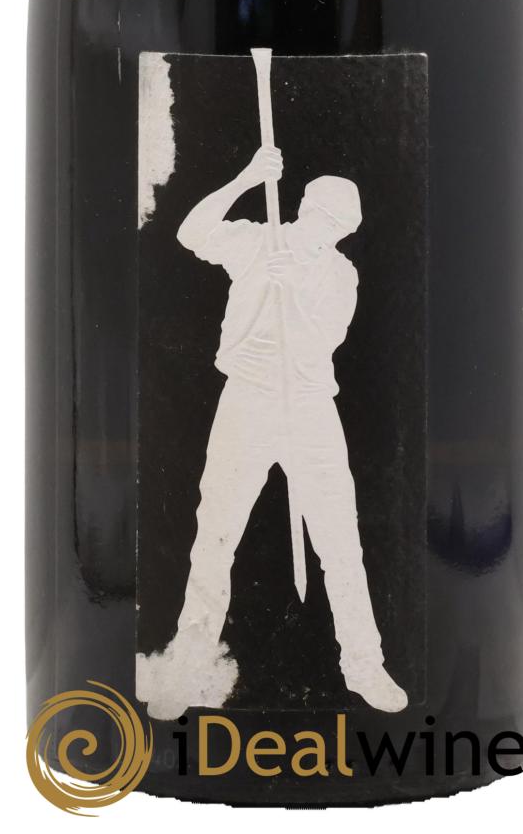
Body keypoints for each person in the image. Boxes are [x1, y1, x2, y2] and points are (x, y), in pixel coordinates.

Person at [136, 143, 407, 718]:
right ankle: (188, 668)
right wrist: (246, 178)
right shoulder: (258, 242)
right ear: (304, 209)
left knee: (341, 540)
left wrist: (296, 292)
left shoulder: (340, 273)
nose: (325, 234)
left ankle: (365, 665)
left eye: (337, 229)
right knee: (216, 534)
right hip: (248, 401)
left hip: (310, 409)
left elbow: (327, 339)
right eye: (321, 220)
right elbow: (190, 233)